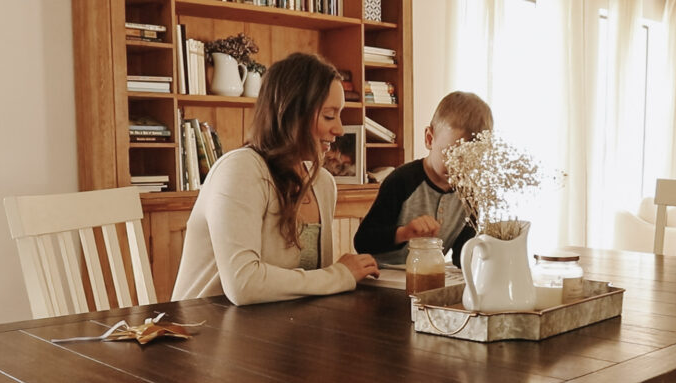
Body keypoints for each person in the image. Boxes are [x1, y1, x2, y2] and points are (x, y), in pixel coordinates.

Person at [172, 52, 379, 305]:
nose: (339, 129)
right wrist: (339, 274)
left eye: (339, 115)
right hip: (204, 334)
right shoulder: (240, 170)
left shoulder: (323, 184)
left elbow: (312, 287)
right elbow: (244, 284)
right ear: (292, 113)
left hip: (279, 330)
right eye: (328, 115)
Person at [353, 91, 493, 267]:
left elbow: (461, 257)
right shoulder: (402, 181)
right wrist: (404, 233)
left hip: (429, 278)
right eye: (451, 154)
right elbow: (363, 241)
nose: (459, 166)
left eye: (471, 158)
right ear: (429, 139)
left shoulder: (469, 195)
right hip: (383, 277)